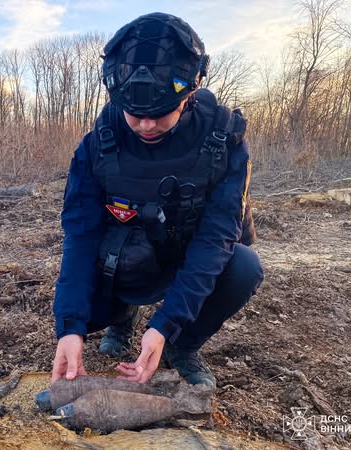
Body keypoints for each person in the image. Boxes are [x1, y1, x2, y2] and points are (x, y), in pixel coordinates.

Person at [51, 12, 264, 388]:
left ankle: (182, 346)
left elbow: (216, 240)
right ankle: (121, 317)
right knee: (88, 301)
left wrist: (166, 325)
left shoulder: (224, 141)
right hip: (125, 259)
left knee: (244, 265)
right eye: (135, 115)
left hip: (189, 254)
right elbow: (80, 236)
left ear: (190, 93)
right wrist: (69, 328)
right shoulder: (97, 144)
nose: (146, 126)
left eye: (160, 114)